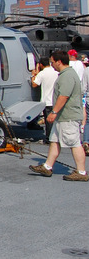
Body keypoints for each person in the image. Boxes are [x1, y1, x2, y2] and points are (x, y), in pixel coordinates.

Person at [29, 50, 88, 181]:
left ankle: (81, 172)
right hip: (63, 117)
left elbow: (64, 96)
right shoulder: (65, 74)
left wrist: (54, 112)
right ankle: (47, 166)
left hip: (68, 116)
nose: (52, 64)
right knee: (54, 141)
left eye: (52, 62)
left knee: (74, 143)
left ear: (59, 62)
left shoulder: (67, 76)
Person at [30, 57, 59, 142]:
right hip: (55, 100)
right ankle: (55, 136)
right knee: (55, 120)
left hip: (47, 101)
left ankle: (49, 138)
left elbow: (34, 84)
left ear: (41, 65)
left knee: (48, 121)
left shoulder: (42, 74)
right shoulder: (56, 72)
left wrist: (33, 75)